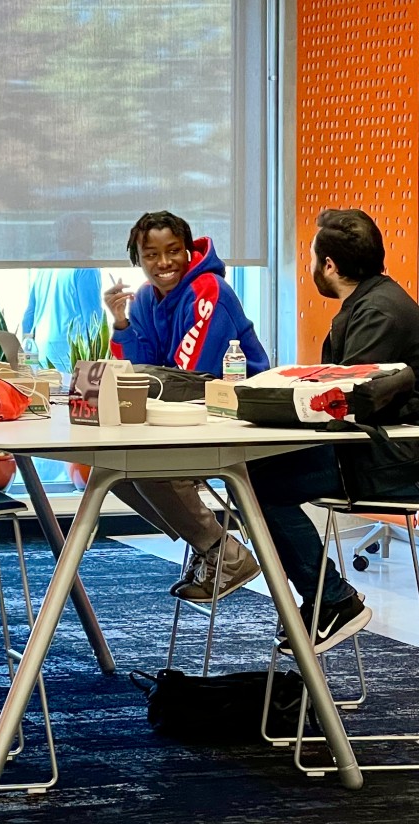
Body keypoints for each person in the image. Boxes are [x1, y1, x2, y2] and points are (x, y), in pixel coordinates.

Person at [251, 208, 419, 654]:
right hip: (376, 449)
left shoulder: (377, 314)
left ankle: (332, 600)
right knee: (253, 475)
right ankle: (324, 599)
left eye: (311, 258)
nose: (309, 267)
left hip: (397, 463)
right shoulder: (372, 304)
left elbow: (346, 399)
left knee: (254, 484)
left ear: (330, 266)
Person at [103, 210, 270, 603]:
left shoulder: (208, 288)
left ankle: (222, 552)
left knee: (150, 467)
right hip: (186, 412)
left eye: (173, 251)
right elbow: (139, 368)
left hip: (235, 417)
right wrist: (122, 323)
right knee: (113, 468)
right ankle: (213, 546)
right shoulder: (145, 298)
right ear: (138, 260)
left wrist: (141, 387)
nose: (163, 263)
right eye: (151, 255)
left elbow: (189, 374)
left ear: (188, 250)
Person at [21, 213, 106, 373]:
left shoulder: (45, 266)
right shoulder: (86, 266)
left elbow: (28, 317)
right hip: (70, 358)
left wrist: (29, 361)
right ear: (84, 238)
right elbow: (93, 320)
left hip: (42, 355)